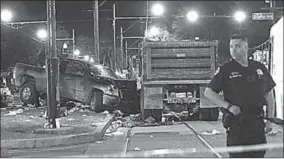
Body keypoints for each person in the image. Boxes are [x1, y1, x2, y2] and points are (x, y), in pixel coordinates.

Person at [204, 34, 276, 158]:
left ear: (246, 47)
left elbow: (269, 95)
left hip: (257, 124)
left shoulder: (259, 68)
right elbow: (209, 92)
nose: (233, 49)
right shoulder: (226, 69)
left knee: (258, 155)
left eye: (237, 46)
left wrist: (270, 120)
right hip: (237, 125)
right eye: (231, 46)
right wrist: (228, 106)